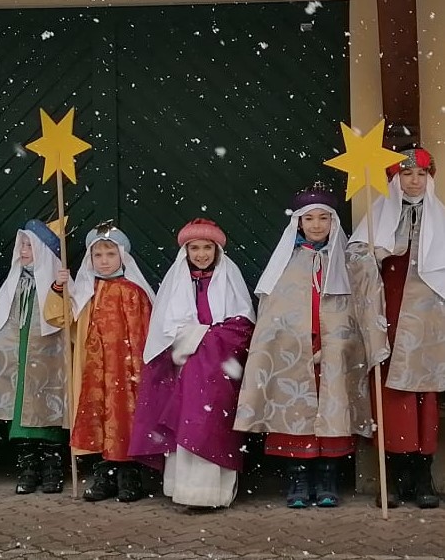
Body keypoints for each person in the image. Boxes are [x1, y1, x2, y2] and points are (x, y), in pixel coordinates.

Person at [235, 184, 372, 508]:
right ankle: (298, 476)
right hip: (295, 352)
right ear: (298, 222)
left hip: (334, 351)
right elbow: (274, 313)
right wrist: (295, 342)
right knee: (296, 414)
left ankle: (327, 477)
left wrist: (337, 342)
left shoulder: (345, 262)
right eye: (309, 218)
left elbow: (355, 310)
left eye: (323, 218)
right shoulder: (286, 263)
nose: (316, 225)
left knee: (332, 412)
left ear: (333, 222)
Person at [129, 218, 255, 508]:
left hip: (217, 370)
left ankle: (213, 493)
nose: (201, 254)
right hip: (183, 369)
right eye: (194, 248)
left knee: (211, 426)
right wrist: (192, 340)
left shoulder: (229, 277)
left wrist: (204, 337)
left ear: (216, 250)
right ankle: (186, 491)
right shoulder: (176, 282)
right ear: (185, 250)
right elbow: (164, 329)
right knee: (186, 423)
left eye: (207, 247)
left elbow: (243, 324)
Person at [347, 147, 445, 509]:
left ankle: (423, 477)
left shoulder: (441, 219)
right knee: (392, 399)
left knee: (425, 399)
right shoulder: (378, 217)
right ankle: (393, 477)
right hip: (388, 316)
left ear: (429, 178)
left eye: (421, 174)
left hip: (428, 326)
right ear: (395, 179)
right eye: (406, 174)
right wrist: (372, 255)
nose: (414, 181)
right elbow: (355, 258)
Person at [45, 220, 154, 502]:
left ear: (122, 257)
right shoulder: (82, 292)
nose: (104, 261)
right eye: (98, 255)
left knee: (124, 414)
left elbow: (145, 330)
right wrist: (59, 288)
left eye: (110, 254)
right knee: (96, 414)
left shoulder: (134, 291)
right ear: (90, 259)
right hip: (92, 367)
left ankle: (129, 473)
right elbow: (60, 318)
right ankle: (104, 473)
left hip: (125, 367)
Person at [0, 219, 68, 494]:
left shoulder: (58, 280)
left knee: (47, 407)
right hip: (19, 360)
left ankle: (52, 467)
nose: (23, 250)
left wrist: (60, 288)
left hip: (47, 359)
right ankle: (28, 467)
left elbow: (68, 316)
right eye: (21, 244)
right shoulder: (15, 283)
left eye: (29, 246)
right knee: (21, 408)